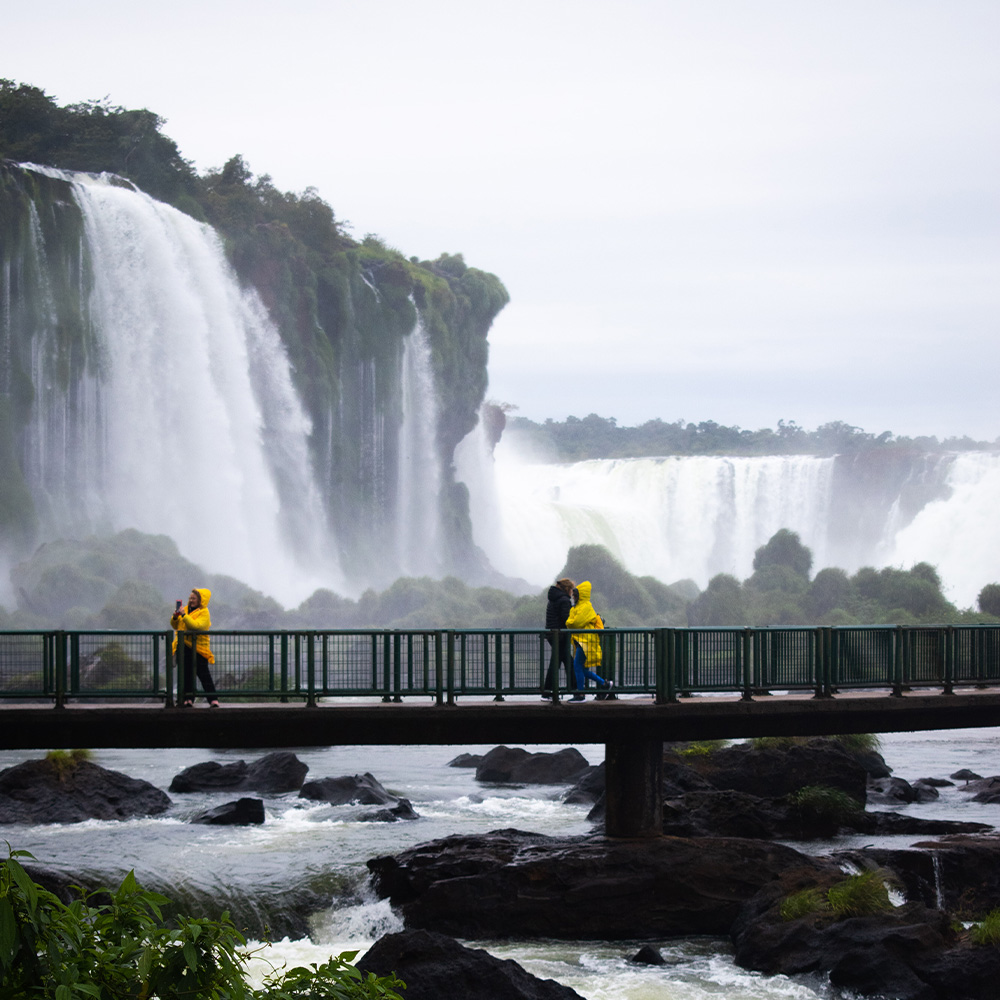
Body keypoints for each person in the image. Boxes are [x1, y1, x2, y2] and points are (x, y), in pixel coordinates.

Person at [565, 581, 614, 701]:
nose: (574, 597)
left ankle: (581, 694)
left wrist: (570, 621)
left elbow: (573, 623)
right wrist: (570, 622)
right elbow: (571, 622)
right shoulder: (579, 607)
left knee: (577, 666)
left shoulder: (586, 607)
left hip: (585, 642)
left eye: (575, 595)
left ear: (581, 595)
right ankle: (605, 684)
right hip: (581, 641)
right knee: (582, 670)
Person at [171, 588, 219, 707]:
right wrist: (175, 617)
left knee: (203, 673)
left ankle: (213, 700)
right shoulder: (185, 609)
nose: (191, 600)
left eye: (194, 598)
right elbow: (175, 625)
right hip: (184, 646)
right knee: (186, 673)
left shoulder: (204, 612)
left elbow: (196, 626)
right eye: (190, 598)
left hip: (199, 648)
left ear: (200, 600)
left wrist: (183, 615)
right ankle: (188, 699)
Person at [542, 577, 577, 699]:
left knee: (557, 662)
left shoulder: (553, 598)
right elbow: (567, 620)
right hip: (560, 636)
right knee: (568, 662)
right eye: (572, 590)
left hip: (552, 635)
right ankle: (575, 690)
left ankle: (548, 692)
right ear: (567, 589)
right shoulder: (564, 600)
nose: (572, 592)